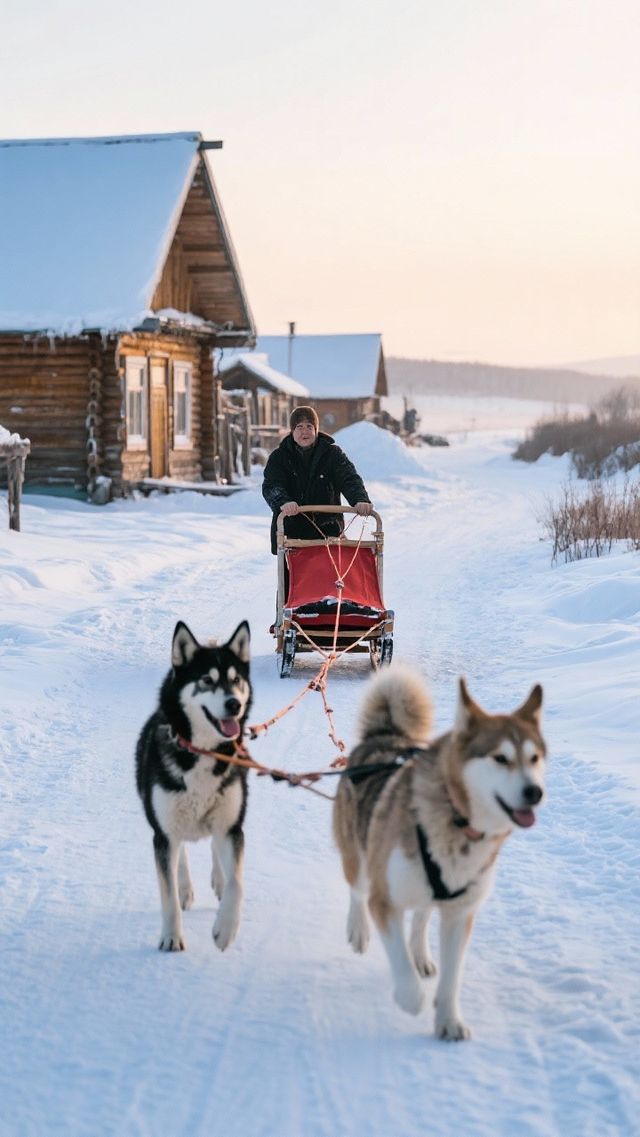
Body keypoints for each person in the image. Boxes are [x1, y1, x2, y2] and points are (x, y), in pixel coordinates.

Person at [262, 405, 373, 557]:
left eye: (309, 426)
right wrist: (283, 502)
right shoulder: (279, 457)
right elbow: (272, 485)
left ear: (316, 429)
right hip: (292, 533)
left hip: (327, 530)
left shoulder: (332, 454)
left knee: (328, 572)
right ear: (292, 431)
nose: (305, 431)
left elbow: (349, 479)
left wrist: (360, 499)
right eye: (299, 427)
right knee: (295, 573)